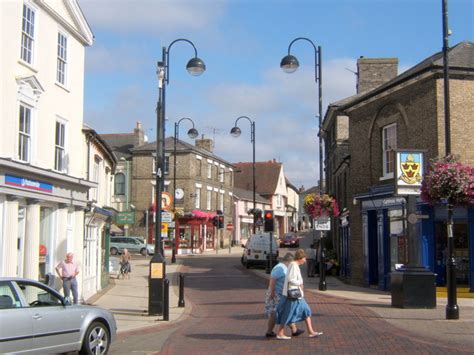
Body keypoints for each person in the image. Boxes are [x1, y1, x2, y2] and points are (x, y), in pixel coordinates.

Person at [275, 249, 324, 340]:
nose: (305, 260)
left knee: (306, 311)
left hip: (297, 294)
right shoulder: (293, 265)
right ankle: (280, 332)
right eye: (304, 258)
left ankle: (311, 331)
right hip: (293, 294)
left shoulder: (294, 265)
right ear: (300, 258)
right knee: (288, 313)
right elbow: (290, 279)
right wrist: (300, 283)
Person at [264, 253, 304, 338]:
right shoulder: (280, 268)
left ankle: (293, 330)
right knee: (277, 312)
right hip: (276, 294)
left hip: (279, 293)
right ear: (289, 261)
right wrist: (272, 292)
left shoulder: (284, 267)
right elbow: (273, 279)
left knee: (282, 311)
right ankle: (272, 331)